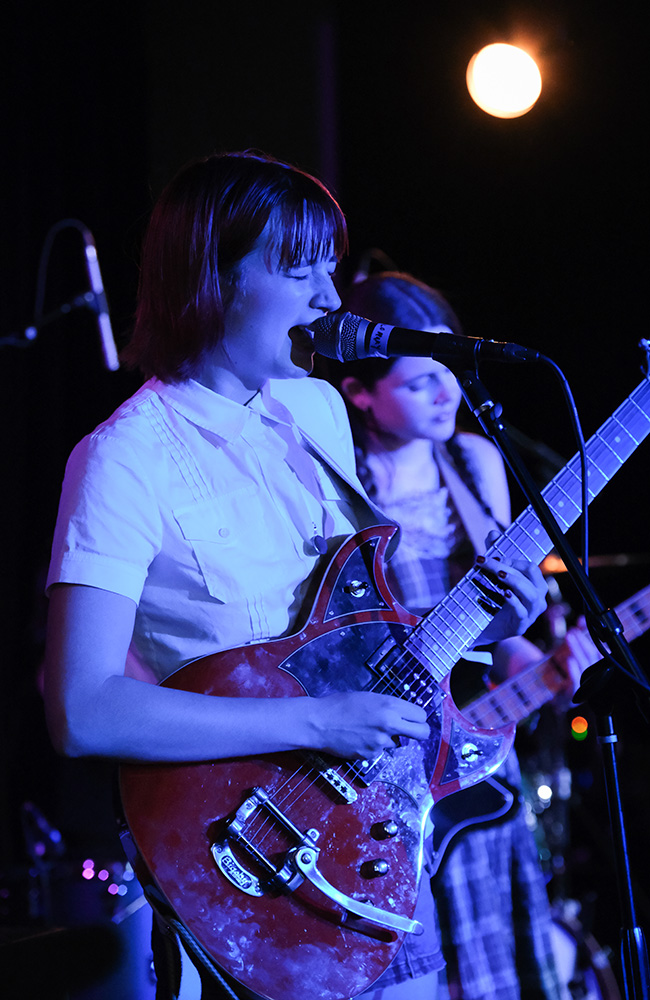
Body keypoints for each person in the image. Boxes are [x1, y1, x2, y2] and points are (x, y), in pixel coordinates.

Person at [42, 153, 549, 1000]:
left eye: (329, 270)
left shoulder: (312, 408)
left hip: (372, 834)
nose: (328, 298)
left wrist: (481, 624)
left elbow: (352, 632)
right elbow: (82, 707)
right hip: (247, 858)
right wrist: (321, 721)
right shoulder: (122, 458)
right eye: (298, 270)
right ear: (214, 280)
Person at [322, 270, 596, 1000]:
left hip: (473, 759)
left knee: (490, 964)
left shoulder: (473, 464)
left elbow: (499, 641)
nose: (448, 392)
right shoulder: (336, 481)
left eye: (449, 369)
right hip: (377, 772)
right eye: (421, 381)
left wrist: (539, 659)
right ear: (360, 394)